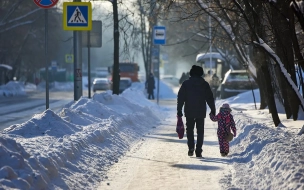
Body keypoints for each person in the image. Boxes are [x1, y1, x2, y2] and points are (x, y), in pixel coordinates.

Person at [177, 65, 216, 157]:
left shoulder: (186, 84)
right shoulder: (204, 84)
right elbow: (210, 98)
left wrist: (179, 110)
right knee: (200, 131)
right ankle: (198, 150)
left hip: (189, 110)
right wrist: (213, 109)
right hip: (200, 111)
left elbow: (181, 98)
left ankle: (191, 147)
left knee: (189, 130)